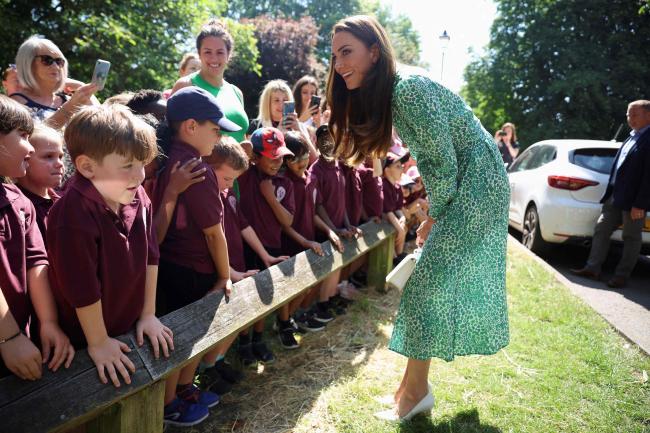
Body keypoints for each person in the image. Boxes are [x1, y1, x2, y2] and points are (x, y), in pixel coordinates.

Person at [327, 15, 510, 421]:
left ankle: (414, 394)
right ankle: (409, 390)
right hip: (468, 183)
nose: (339, 65)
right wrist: (436, 212)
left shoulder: (406, 90)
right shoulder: (395, 89)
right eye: (335, 54)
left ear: (374, 51)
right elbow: (435, 161)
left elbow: (442, 163)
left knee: (425, 291)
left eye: (347, 52)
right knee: (425, 288)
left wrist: (434, 216)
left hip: (476, 186)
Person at [152, 87, 240, 426]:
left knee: (177, 338)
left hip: (170, 266)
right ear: (191, 125)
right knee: (182, 340)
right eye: (215, 129)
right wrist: (223, 275)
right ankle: (169, 403)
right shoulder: (197, 170)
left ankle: (177, 395)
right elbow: (213, 232)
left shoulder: (167, 158)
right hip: (190, 270)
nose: (218, 137)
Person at [0, 95, 74, 381]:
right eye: (23, 136)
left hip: (21, 335)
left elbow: (36, 261)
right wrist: (8, 338)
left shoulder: (19, 200)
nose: (30, 149)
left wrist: (48, 322)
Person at [571, 100, 650, 288]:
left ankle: (621, 275)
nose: (630, 119)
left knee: (631, 238)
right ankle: (593, 268)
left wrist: (641, 203)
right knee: (601, 229)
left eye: (635, 115)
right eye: (628, 115)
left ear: (648, 115)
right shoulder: (631, 137)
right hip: (615, 196)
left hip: (634, 201)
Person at [238, 127, 298, 352]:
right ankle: (244, 340)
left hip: (272, 245)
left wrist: (271, 197)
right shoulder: (245, 174)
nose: (277, 162)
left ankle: (258, 337)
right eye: (271, 157)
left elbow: (288, 221)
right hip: (245, 244)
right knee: (245, 294)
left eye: (280, 156)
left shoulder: (285, 183)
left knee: (265, 292)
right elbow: (241, 151)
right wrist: (249, 152)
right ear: (256, 158)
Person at [171, 20, 249, 143]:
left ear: (228, 55)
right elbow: (171, 136)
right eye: (208, 52)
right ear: (199, 54)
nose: (214, 58)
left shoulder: (236, 92)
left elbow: (240, 136)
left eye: (220, 52)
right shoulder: (185, 85)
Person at [11, 36, 98, 130]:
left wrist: (80, 85)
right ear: (28, 64)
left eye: (59, 61)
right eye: (47, 60)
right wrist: (69, 108)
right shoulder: (16, 102)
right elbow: (34, 139)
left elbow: (105, 128)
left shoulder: (69, 100)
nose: (56, 66)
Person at [247, 79, 318, 163]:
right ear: (267, 103)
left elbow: (314, 160)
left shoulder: (300, 126)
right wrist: (278, 132)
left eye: (285, 100)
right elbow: (252, 161)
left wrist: (299, 130)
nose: (281, 105)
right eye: (276, 100)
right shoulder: (256, 126)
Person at [15, 124, 65, 242]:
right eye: (48, 156)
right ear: (24, 158)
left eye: (60, 156)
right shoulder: (16, 206)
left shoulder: (64, 201)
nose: (59, 164)